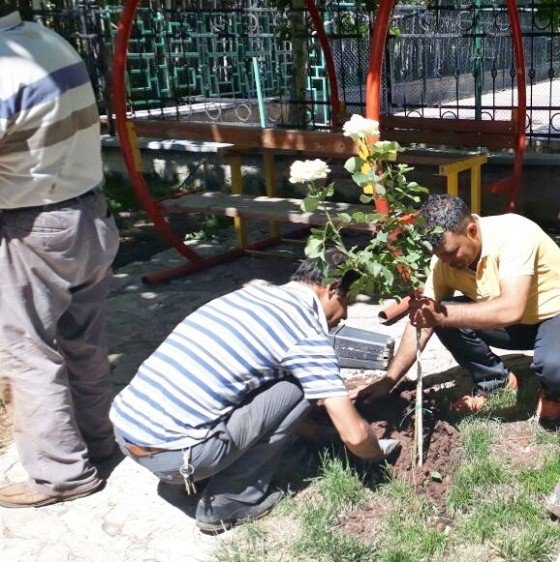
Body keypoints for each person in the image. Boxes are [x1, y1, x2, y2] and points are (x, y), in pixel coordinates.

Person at [109, 255, 397, 532]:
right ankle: (230, 502)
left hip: (127, 432)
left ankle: (198, 472)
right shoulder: (306, 332)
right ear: (332, 288)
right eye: (346, 302)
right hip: (177, 457)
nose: (344, 315)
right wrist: (377, 459)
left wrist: (316, 434)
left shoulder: (247, 295)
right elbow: (356, 437)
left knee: (272, 377)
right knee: (297, 389)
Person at [0, 4, 120, 508]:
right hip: (88, 215)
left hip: (31, 226)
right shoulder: (45, 41)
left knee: (27, 354)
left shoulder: (6, 64)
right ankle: (100, 442)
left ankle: (61, 474)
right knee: (83, 342)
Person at [355, 195, 560, 422]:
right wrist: (389, 380)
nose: (446, 262)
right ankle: (495, 380)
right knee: (442, 313)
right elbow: (421, 320)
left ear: (471, 230)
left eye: (451, 253)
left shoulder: (514, 234)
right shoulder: (443, 260)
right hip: (512, 326)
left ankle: (553, 390)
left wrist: (439, 313)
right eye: (439, 256)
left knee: (557, 368)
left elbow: (511, 309)